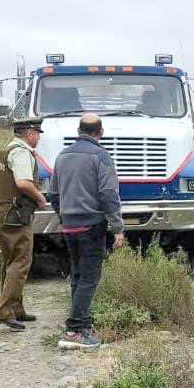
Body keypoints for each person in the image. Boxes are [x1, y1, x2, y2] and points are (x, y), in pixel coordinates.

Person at [48, 113, 125, 349]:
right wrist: (117, 227)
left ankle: (83, 325)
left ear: (79, 131)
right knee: (90, 277)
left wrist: (65, 216)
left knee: (78, 276)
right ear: (99, 133)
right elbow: (108, 194)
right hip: (92, 225)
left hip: (70, 226)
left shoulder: (62, 156)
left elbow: (53, 194)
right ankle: (74, 330)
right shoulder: (101, 156)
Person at [0, 121, 48, 330]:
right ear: (28, 132)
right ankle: (3, 310)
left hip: (5, 211)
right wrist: (40, 198)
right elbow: (23, 182)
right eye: (36, 133)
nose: (39, 138)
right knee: (21, 261)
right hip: (16, 213)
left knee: (11, 261)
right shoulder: (21, 152)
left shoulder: (7, 149)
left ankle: (15, 309)